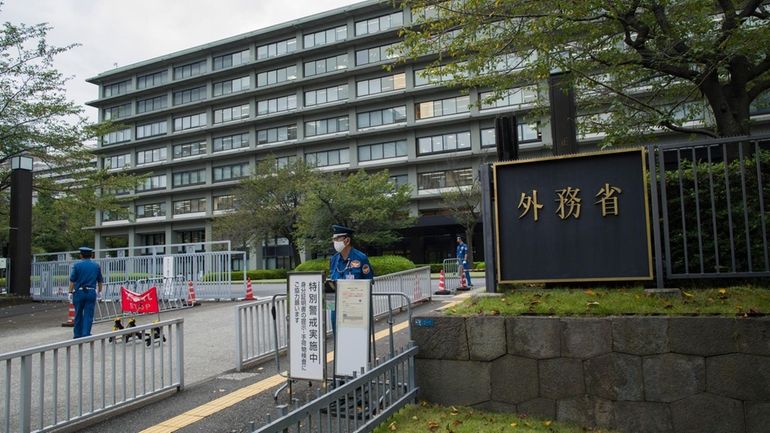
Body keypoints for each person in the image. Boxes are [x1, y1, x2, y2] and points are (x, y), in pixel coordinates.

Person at [327, 225, 374, 332]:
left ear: (347, 240)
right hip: (337, 307)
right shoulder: (334, 259)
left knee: (355, 336)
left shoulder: (361, 258)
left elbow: (369, 281)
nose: (334, 242)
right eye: (333, 239)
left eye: (337, 239)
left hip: (355, 306)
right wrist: (330, 306)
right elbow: (331, 282)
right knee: (338, 338)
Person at [68, 246, 103, 338]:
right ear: (91, 255)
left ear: (81, 255)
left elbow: (72, 280)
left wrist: (70, 292)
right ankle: (86, 333)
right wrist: (99, 292)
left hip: (79, 292)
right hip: (91, 292)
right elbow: (100, 280)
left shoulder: (77, 266)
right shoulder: (96, 266)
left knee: (78, 313)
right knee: (88, 314)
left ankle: (77, 334)